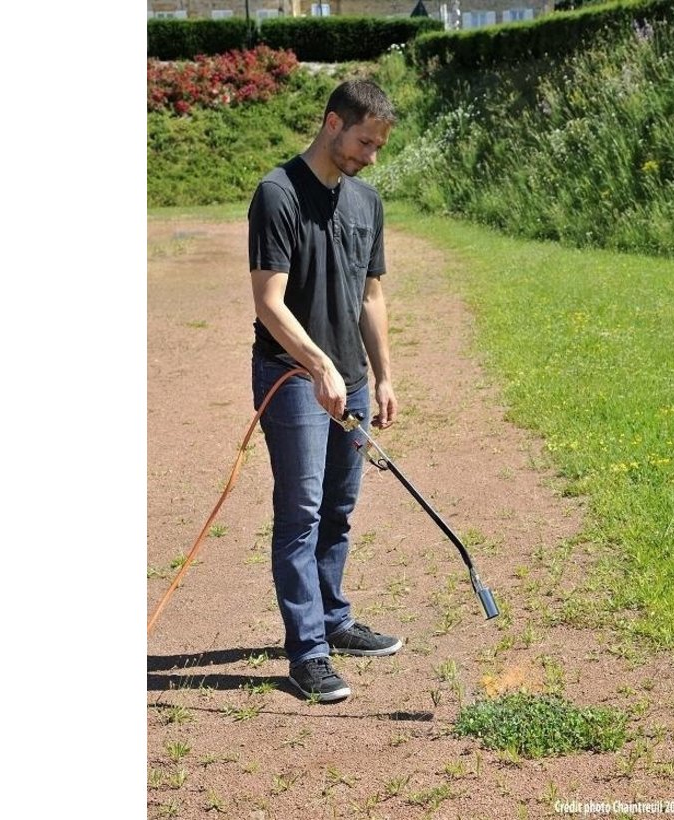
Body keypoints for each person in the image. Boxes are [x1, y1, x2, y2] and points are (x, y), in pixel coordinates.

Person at [247, 80, 401, 702]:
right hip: (291, 379)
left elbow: (371, 296)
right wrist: (317, 366)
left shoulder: (367, 203)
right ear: (332, 123)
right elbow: (268, 302)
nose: (370, 156)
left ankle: (333, 620)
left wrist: (383, 374)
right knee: (301, 514)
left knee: (338, 507)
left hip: (354, 384)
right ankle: (306, 652)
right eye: (364, 141)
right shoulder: (277, 194)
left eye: (378, 146)